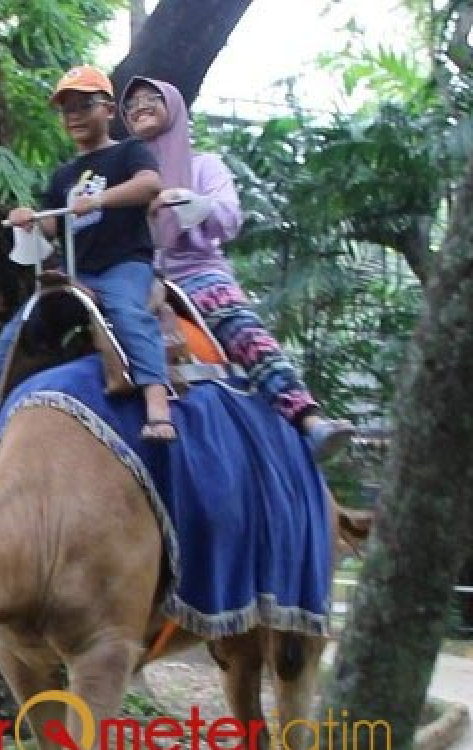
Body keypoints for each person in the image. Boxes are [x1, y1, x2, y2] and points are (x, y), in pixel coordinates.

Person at [0, 64, 175, 458]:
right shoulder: (63, 176)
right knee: (20, 324)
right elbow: (52, 227)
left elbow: (150, 185)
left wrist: (100, 199)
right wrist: (28, 223)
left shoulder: (128, 152)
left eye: (83, 104)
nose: (73, 115)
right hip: (80, 272)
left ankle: (158, 406)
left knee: (127, 310)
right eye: (66, 107)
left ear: (107, 109)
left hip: (124, 264)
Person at [121, 75, 355, 462]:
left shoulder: (203, 166)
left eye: (150, 98)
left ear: (174, 107)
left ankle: (309, 421)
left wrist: (188, 201)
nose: (140, 107)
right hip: (136, 278)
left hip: (194, 273)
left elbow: (228, 218)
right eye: (131, 105)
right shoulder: (123, 177)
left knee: (237, 324)